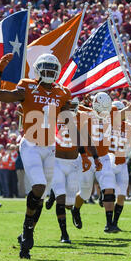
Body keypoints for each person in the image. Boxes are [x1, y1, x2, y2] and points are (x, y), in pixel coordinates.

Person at [0, 52, 72, 259]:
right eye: (45, 69)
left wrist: (73, 111)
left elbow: (66, 116)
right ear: (37, 70)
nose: (49, 73)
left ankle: (27, 235)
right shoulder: (27, 86)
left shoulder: (62, 92)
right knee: (38, 187)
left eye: (52, 69)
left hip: (50, 147)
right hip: (31, 145)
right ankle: (27, 232)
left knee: (40, 197)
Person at [71, 90, 131, 233]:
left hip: (104, 157)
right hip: (88, 157)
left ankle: (109, 224)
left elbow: (129, 109)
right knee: (85, 193)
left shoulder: (112, 113)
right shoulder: (84, 113)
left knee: (109, 188)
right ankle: (75, 209)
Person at [51, 97, 101, 243]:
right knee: (61, 198)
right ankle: (64, 234)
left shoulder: (80, 120)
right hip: (57, 162)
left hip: (73, 163)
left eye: (74, 106)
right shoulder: (54, 117)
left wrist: (96, 158)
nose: (72, 108)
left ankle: (56, 195)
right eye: (69, 105)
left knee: (68, 204)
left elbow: (87, 139)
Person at [108, 100, 131, 231]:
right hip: (109, 160)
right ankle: (109, 220)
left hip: (122, 162)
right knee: (109, 192)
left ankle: (114, 223)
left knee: (122, 195)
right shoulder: (107, 124)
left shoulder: (129, 127)